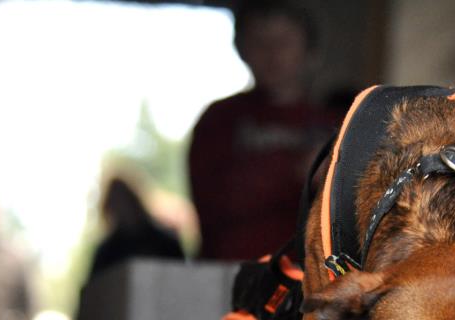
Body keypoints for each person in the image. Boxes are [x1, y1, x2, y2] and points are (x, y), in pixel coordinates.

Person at [188, 1, 335, 261]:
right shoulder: (220, 119)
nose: (272, 52)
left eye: (284, 41)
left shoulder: (335, 124)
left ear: (308, 50)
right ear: (242, 49)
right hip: (232, 277)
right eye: (259, 42)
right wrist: (296, 169)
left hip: (309, 280)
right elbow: (213, 203)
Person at [86, 175, 185, 279]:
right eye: (116, 203)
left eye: (122, 201)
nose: (121, 208)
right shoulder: (107, 251)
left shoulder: (165, 241)